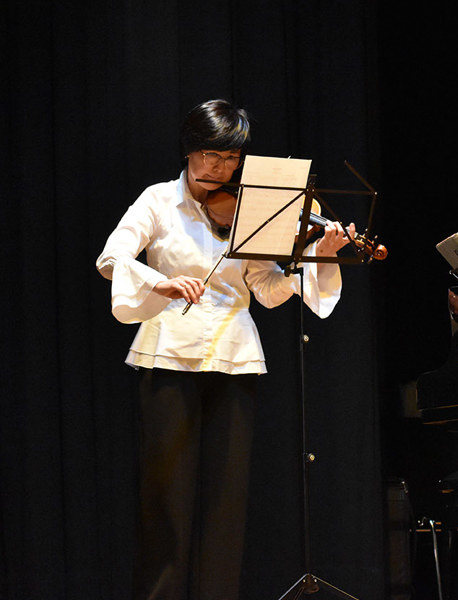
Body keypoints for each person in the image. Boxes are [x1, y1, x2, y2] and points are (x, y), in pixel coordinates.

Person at [96, 99, 353, 600]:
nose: (220, 168)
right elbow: (111, 258)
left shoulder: (251, 207)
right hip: (168, 354)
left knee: (226, 502)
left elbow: (265, 289)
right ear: (190, 150)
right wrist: (160, 282)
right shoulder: (157, 200)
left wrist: (314, 259)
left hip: (235, 356)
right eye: (211, 155)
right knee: (167, 498)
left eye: (231, 158)